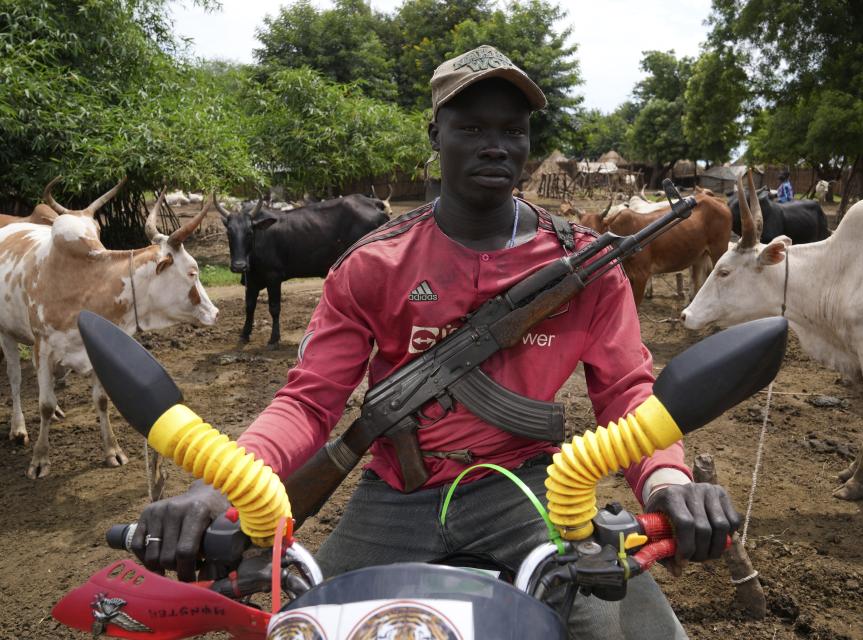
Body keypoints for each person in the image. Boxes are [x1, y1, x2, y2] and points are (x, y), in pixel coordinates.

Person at [131, 45, 740, 639]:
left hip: (530, 490)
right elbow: (309, 402)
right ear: (435, 134)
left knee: (632, 626)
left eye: (513, 129)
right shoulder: (374, 265)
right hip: (395, 496)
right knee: (304, 622)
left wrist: (669, 485)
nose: (496, 145)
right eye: (471, 126)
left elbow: (628, 395)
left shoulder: (586, 265)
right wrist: (221, 486)